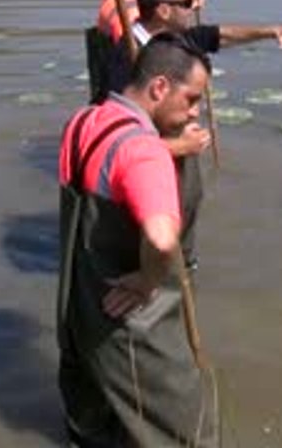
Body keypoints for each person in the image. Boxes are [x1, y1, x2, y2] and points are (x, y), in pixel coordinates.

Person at [100, 0, 282, 272]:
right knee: (151, 248)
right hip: (147, 176)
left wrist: (273, 30)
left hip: (175, 159)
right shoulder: (129, 58)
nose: (195, 8)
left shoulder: (175, 42)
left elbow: (220, 35)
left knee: (181, 236)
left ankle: (181, 269)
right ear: (163, 10)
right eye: (188, 2)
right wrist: (178, 147)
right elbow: (111, 149)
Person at [57, 34, 218, 447]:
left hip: (80, 310)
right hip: (131, 326)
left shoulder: (83, 121)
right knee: (189, 430)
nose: (194, 113)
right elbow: (162, 240)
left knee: (96, 429)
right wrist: (148, 281)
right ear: (159, 87)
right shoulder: (145, 153)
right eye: (192, 98)